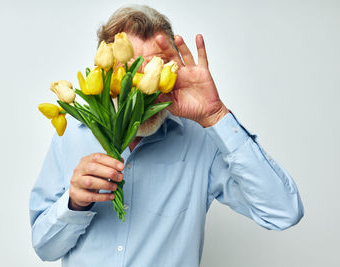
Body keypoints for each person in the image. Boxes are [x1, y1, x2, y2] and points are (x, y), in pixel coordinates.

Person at [29, 5, 304, 267]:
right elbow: (45, 247)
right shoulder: (73, 136)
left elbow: (283, 212)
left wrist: (216, 116)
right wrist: (74, 203)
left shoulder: (201, 141)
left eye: (155, 69)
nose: (145, 91)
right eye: (132, 71)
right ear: (107, 72)